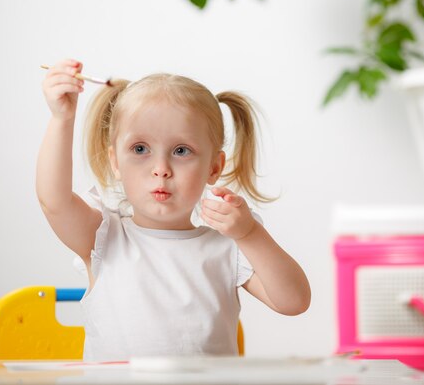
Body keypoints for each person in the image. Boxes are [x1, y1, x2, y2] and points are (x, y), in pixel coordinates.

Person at [37, 58, 311, 361]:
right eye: (140, 149)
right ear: (116, 162)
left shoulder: (227, 247)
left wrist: (251, 234)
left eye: (181, 151)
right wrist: (61, 119)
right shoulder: (103, 236)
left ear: (214, 167)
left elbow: (294, 301)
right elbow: (54, 201)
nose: (161, 169)